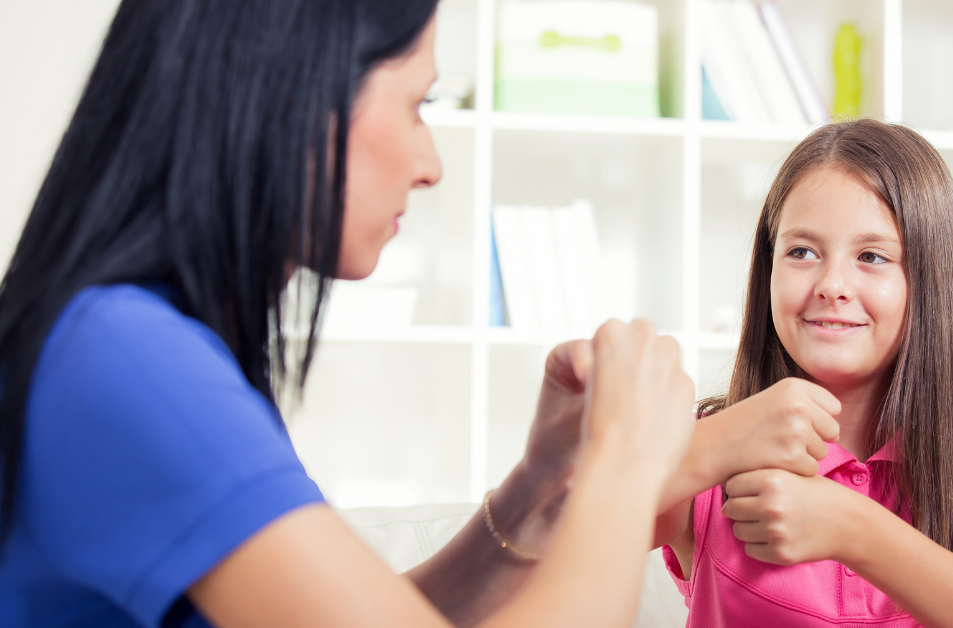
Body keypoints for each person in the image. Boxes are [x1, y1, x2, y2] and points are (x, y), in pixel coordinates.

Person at [0, 1, 696, 627]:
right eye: (417, 104)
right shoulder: (129, 358)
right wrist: (627, 458)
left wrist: (535, 492)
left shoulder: (145, 343)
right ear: (294, 96)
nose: (431, 165)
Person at [650, 120, 953, 628]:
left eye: (871, 256)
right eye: (801, 252)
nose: (832, 284)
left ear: (928, 282)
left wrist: (856, 530)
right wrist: (714, 443)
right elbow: (549, 544)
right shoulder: (705, 454)